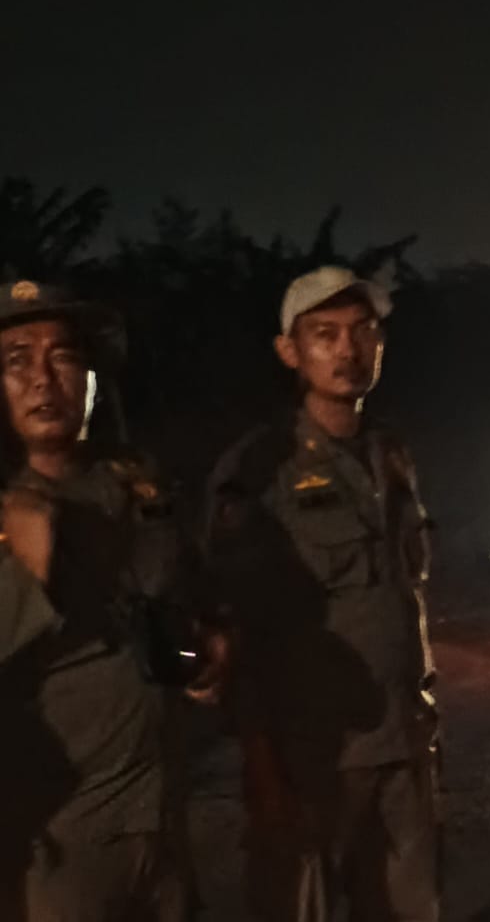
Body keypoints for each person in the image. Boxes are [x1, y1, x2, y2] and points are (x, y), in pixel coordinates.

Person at [205, 266, 438, 922]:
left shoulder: (390, 454)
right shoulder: (262, 470)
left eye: (363, 331)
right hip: (312, 755)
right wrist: (262, 768)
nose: (347, 349)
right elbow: (237, 628)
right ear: (290, 351)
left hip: (402, 745)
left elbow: (406, 594)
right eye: (325, 334)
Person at [0, 278, 208, 922]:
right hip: (59, 845)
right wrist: (22, 572)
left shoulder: (138, 486)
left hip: (164, 819)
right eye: (17, 361)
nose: (42, 378)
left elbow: (187, 596)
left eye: (62, 356)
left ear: (92, 379)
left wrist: (207, 646)